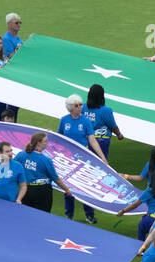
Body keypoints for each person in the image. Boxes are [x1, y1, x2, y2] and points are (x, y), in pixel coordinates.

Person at [57, 94, 106, 224]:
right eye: (77, 105)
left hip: (83, 158)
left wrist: (102, 157)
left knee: (85, 187)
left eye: (80, 104)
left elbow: (92, 140)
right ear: (70, 108)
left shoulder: (85, 121)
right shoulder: (64, 120)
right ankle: (69, 215)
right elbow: (58, 138)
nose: (80, 107)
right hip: (67, 159)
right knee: (67, 188)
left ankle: (89, 215)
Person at [119, 145, 155, 238]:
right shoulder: (149, 165)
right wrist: (125, 176)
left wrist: (123, 211)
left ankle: (141, 244)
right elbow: (141, 177)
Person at [14, 132, 72, 213]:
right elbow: (56, 179)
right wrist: (67, 190)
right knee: (43, 216)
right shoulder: (45, 160)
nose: (47, 143)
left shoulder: (22, 154)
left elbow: (12, 165)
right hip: (42, 191)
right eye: (45, 141)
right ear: (38, 143)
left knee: (26, 215)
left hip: (25, 189)